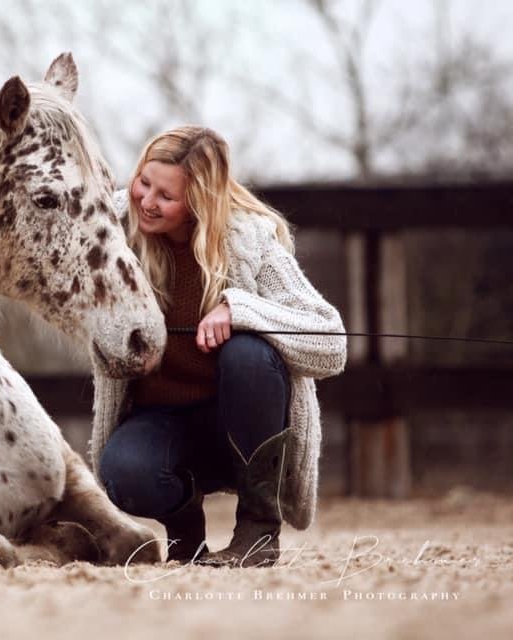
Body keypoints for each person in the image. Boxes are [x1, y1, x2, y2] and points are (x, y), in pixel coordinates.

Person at [88, 126, 348, 567]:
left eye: (165, 196)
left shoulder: (249, 241)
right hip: (159, 420)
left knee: (248, 353)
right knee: (124, 474)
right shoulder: (112, 225)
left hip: (243, 427)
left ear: (198, 202)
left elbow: (331, 343)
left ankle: (257, 532)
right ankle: (185, 530)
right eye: (143, 183)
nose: (147, 201)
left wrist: (241, 310)